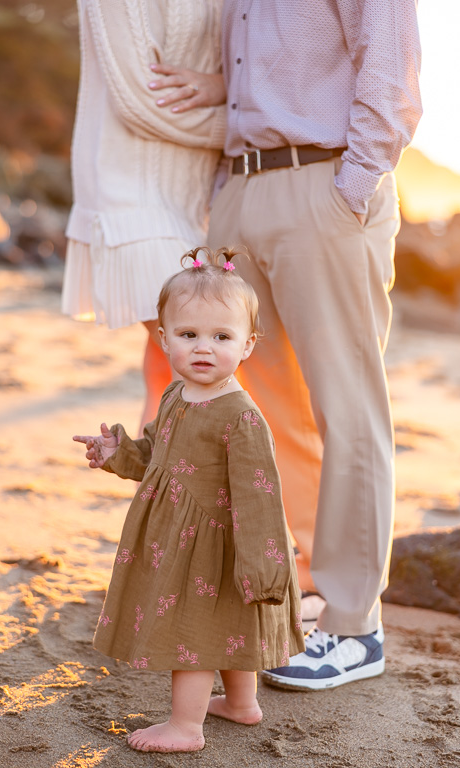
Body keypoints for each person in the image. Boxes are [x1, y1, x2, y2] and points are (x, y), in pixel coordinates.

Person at [149, 0, 423, 689]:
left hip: (324, 187)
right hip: (240, 192)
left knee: (347, 409)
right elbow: (267, 71)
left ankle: (355, 627)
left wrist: (353, 187)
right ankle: (286, 593)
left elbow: (390, 68)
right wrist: (220, 93)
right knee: (253, 415)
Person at [72, 247, 304, 753]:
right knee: (227, 626)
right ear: (163, 339)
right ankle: (242, 704)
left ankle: (185, 726)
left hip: (220, 546)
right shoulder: (177, 393)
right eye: (189, 335)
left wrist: (264, 568)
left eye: (222, 337)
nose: (204, 348)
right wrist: (119, 452)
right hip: (183, 538)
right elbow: (159, 454)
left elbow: (260, 495)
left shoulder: (240, 417)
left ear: (247, 345)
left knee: (192, 631)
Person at [61, 0, 226, 430]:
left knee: (165, 366)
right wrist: (250, 126)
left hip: (195, 198)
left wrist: (222, 86)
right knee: (198, 363)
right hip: (130, 193)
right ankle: (184, 493)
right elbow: (140, 101)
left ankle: (153, 493)